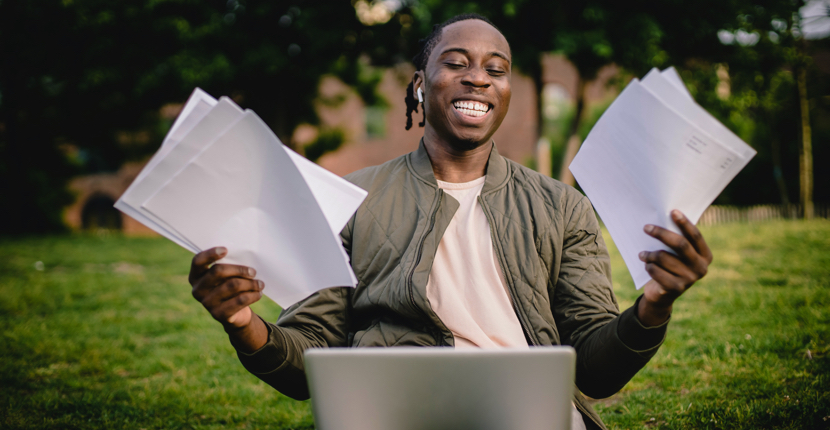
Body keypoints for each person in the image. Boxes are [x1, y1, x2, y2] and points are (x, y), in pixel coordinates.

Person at [187, 14, 713, 430]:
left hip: (529, 419)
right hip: (390, 416)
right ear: (420, 85)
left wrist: (653, 306)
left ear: (506, 91)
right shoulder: (350, 199)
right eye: (456, 62)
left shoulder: (562, 208)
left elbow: (596, 370)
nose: (478, 77)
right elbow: (309, 359)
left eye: (496, 68)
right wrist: (243, 324)